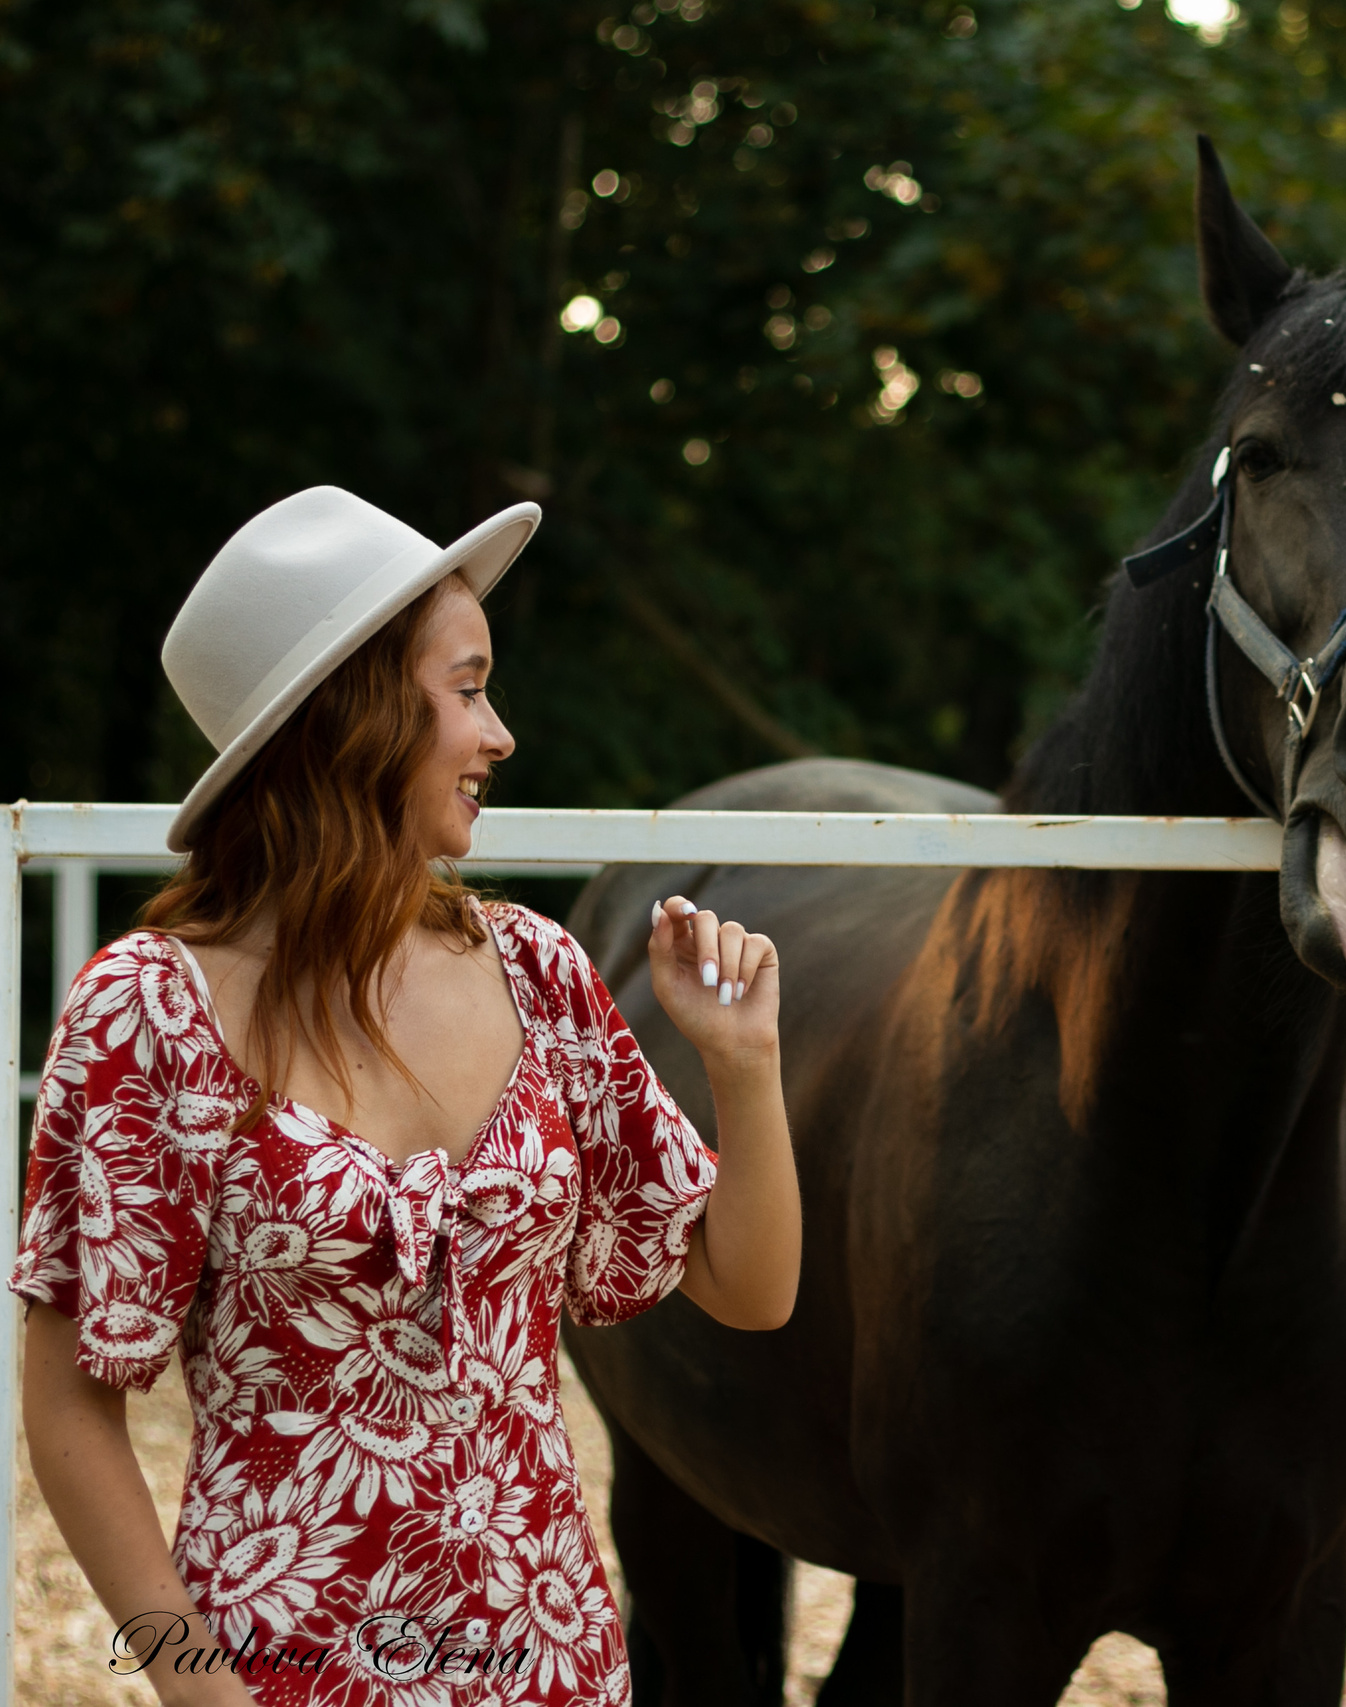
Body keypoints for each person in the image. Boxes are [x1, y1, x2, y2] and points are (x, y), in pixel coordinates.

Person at [12, 487, 803, 1705]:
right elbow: (71, 1409)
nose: (501, 735)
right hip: (275, 1676)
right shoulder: (149, 1013)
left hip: (553, 1666)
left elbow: (750, 1288)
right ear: (353, 715)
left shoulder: (538, 972)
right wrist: (200, 1690)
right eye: (469, 687)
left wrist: (745, 1068)